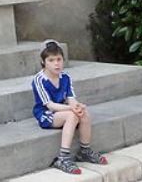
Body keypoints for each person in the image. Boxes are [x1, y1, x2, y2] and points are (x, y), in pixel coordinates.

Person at [31, 39, 107, 174]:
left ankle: (85, 151)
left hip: (63, 111)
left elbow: (71, 99)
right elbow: (50, 105)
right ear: (43, 62)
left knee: (83, 113)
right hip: (46, 114)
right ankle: (63, 157)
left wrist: (77, 106)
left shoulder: (65, 77)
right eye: (51, 60)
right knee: (72, 115)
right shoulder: (39, 80)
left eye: (59, 59)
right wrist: (71, 109)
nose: (56, 64)